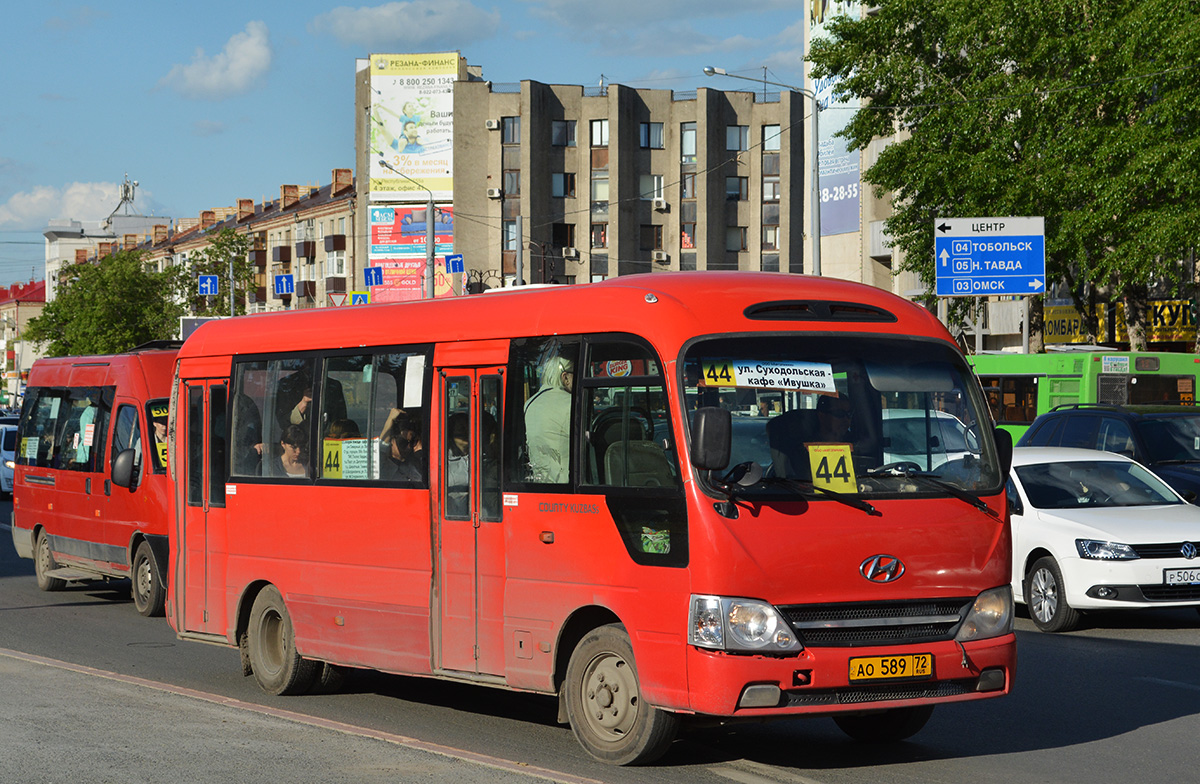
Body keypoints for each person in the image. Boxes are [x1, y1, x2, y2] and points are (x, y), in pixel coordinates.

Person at [524, 355, 574, 483]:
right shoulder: (571, 403)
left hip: (539, 483)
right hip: (566, 485)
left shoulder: (530, 403)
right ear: (565, 377)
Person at [378, 409, 422, 481]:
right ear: (391, 441)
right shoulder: (382, 465)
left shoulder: (413, 466)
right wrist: (390, 419)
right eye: (403, 442)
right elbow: (381, 446)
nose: (408, 447)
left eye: (411, 442)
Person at [445, 412, 470, 516]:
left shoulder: (482, 457)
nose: (466, 434)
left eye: (468, 429)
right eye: (461, 430)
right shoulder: (443, 460)